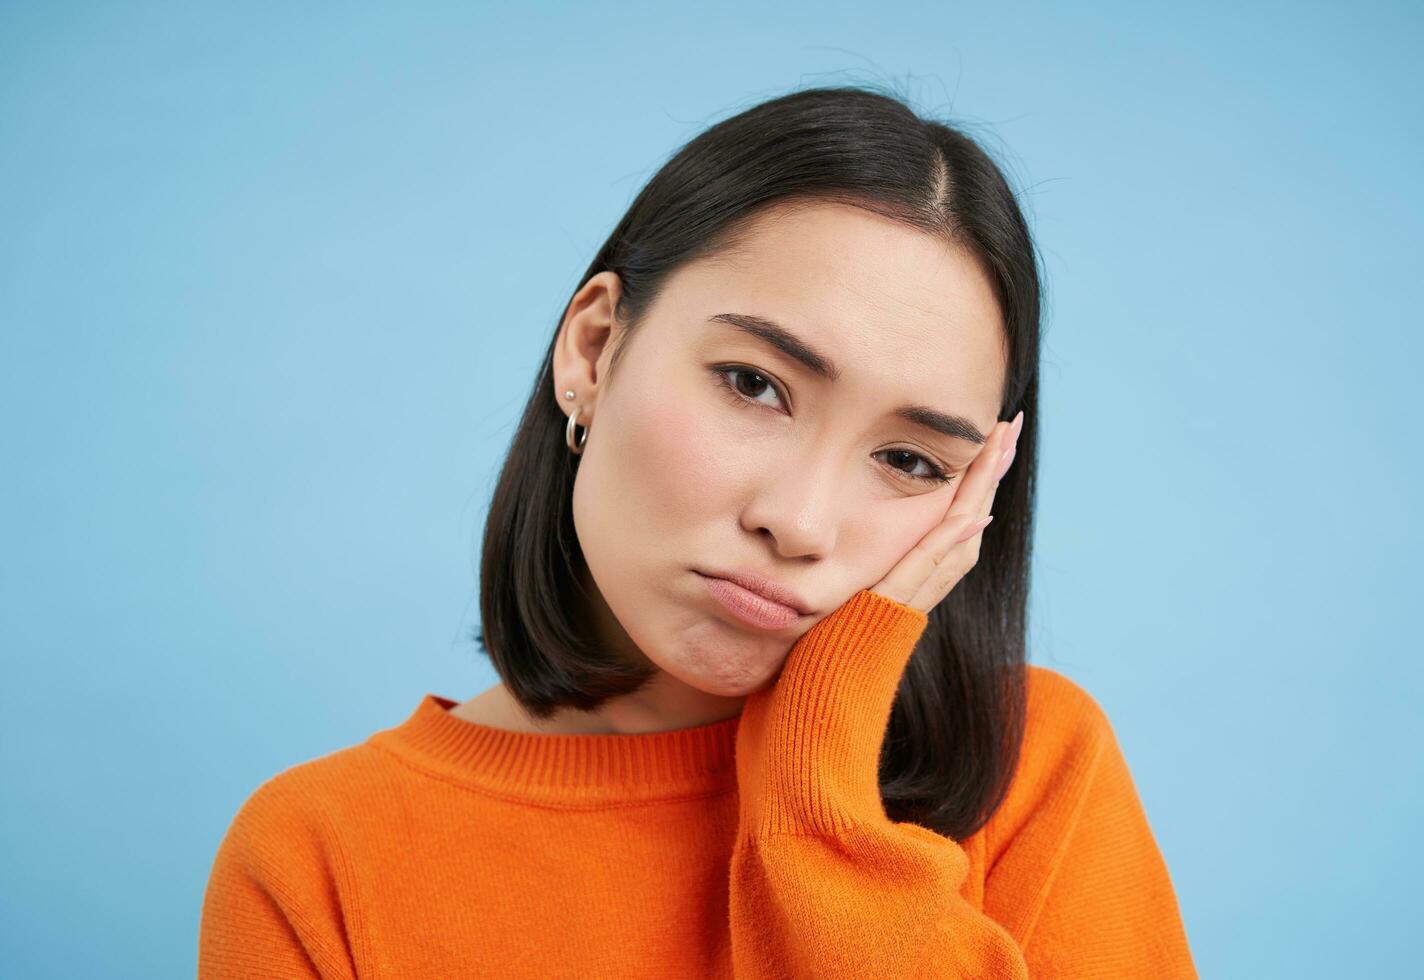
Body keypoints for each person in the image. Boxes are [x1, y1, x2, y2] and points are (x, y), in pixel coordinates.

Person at [199, 84, 1198, 978]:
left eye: (909, 460)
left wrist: (818, 789)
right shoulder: (319, 853)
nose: (800, 520)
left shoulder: (1030, 769)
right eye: (755, 385)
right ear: (594, 348)